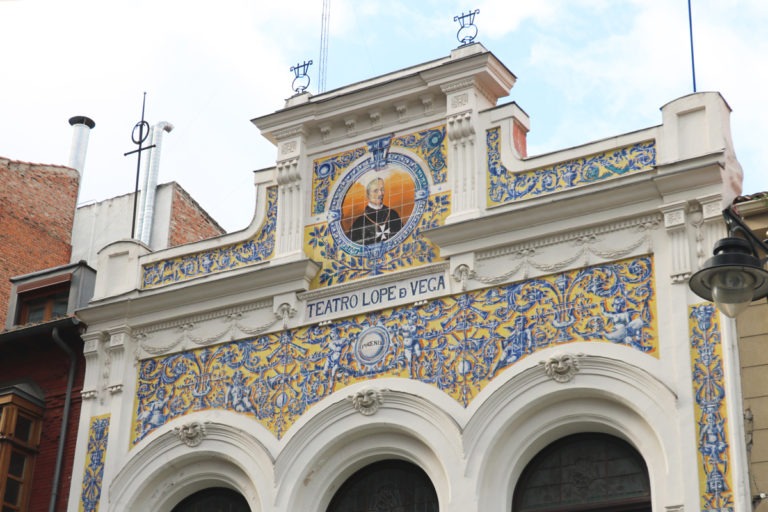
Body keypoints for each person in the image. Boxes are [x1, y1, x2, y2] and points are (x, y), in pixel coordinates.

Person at [348, 177, 402, 245]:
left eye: (382, 189)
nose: (380, 194)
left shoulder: (393, 214)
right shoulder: (360, 222)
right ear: (367, 194)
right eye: (375, 191)